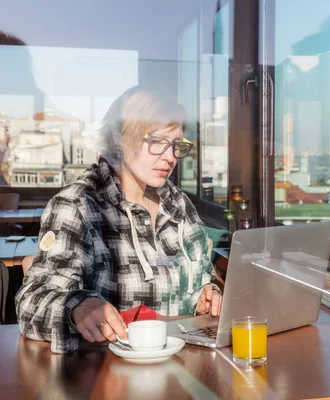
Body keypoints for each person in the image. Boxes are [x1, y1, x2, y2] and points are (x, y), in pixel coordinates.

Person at [16, 86, 222, 353]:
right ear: (120, 138)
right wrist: (76, 307)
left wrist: (205, 295)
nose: (171, 157)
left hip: (184, 365)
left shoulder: (178, 204)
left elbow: (203, 277)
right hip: (110, 376)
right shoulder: (78, 205)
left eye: (176, 146)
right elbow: (31, 303)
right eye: (158, 142)